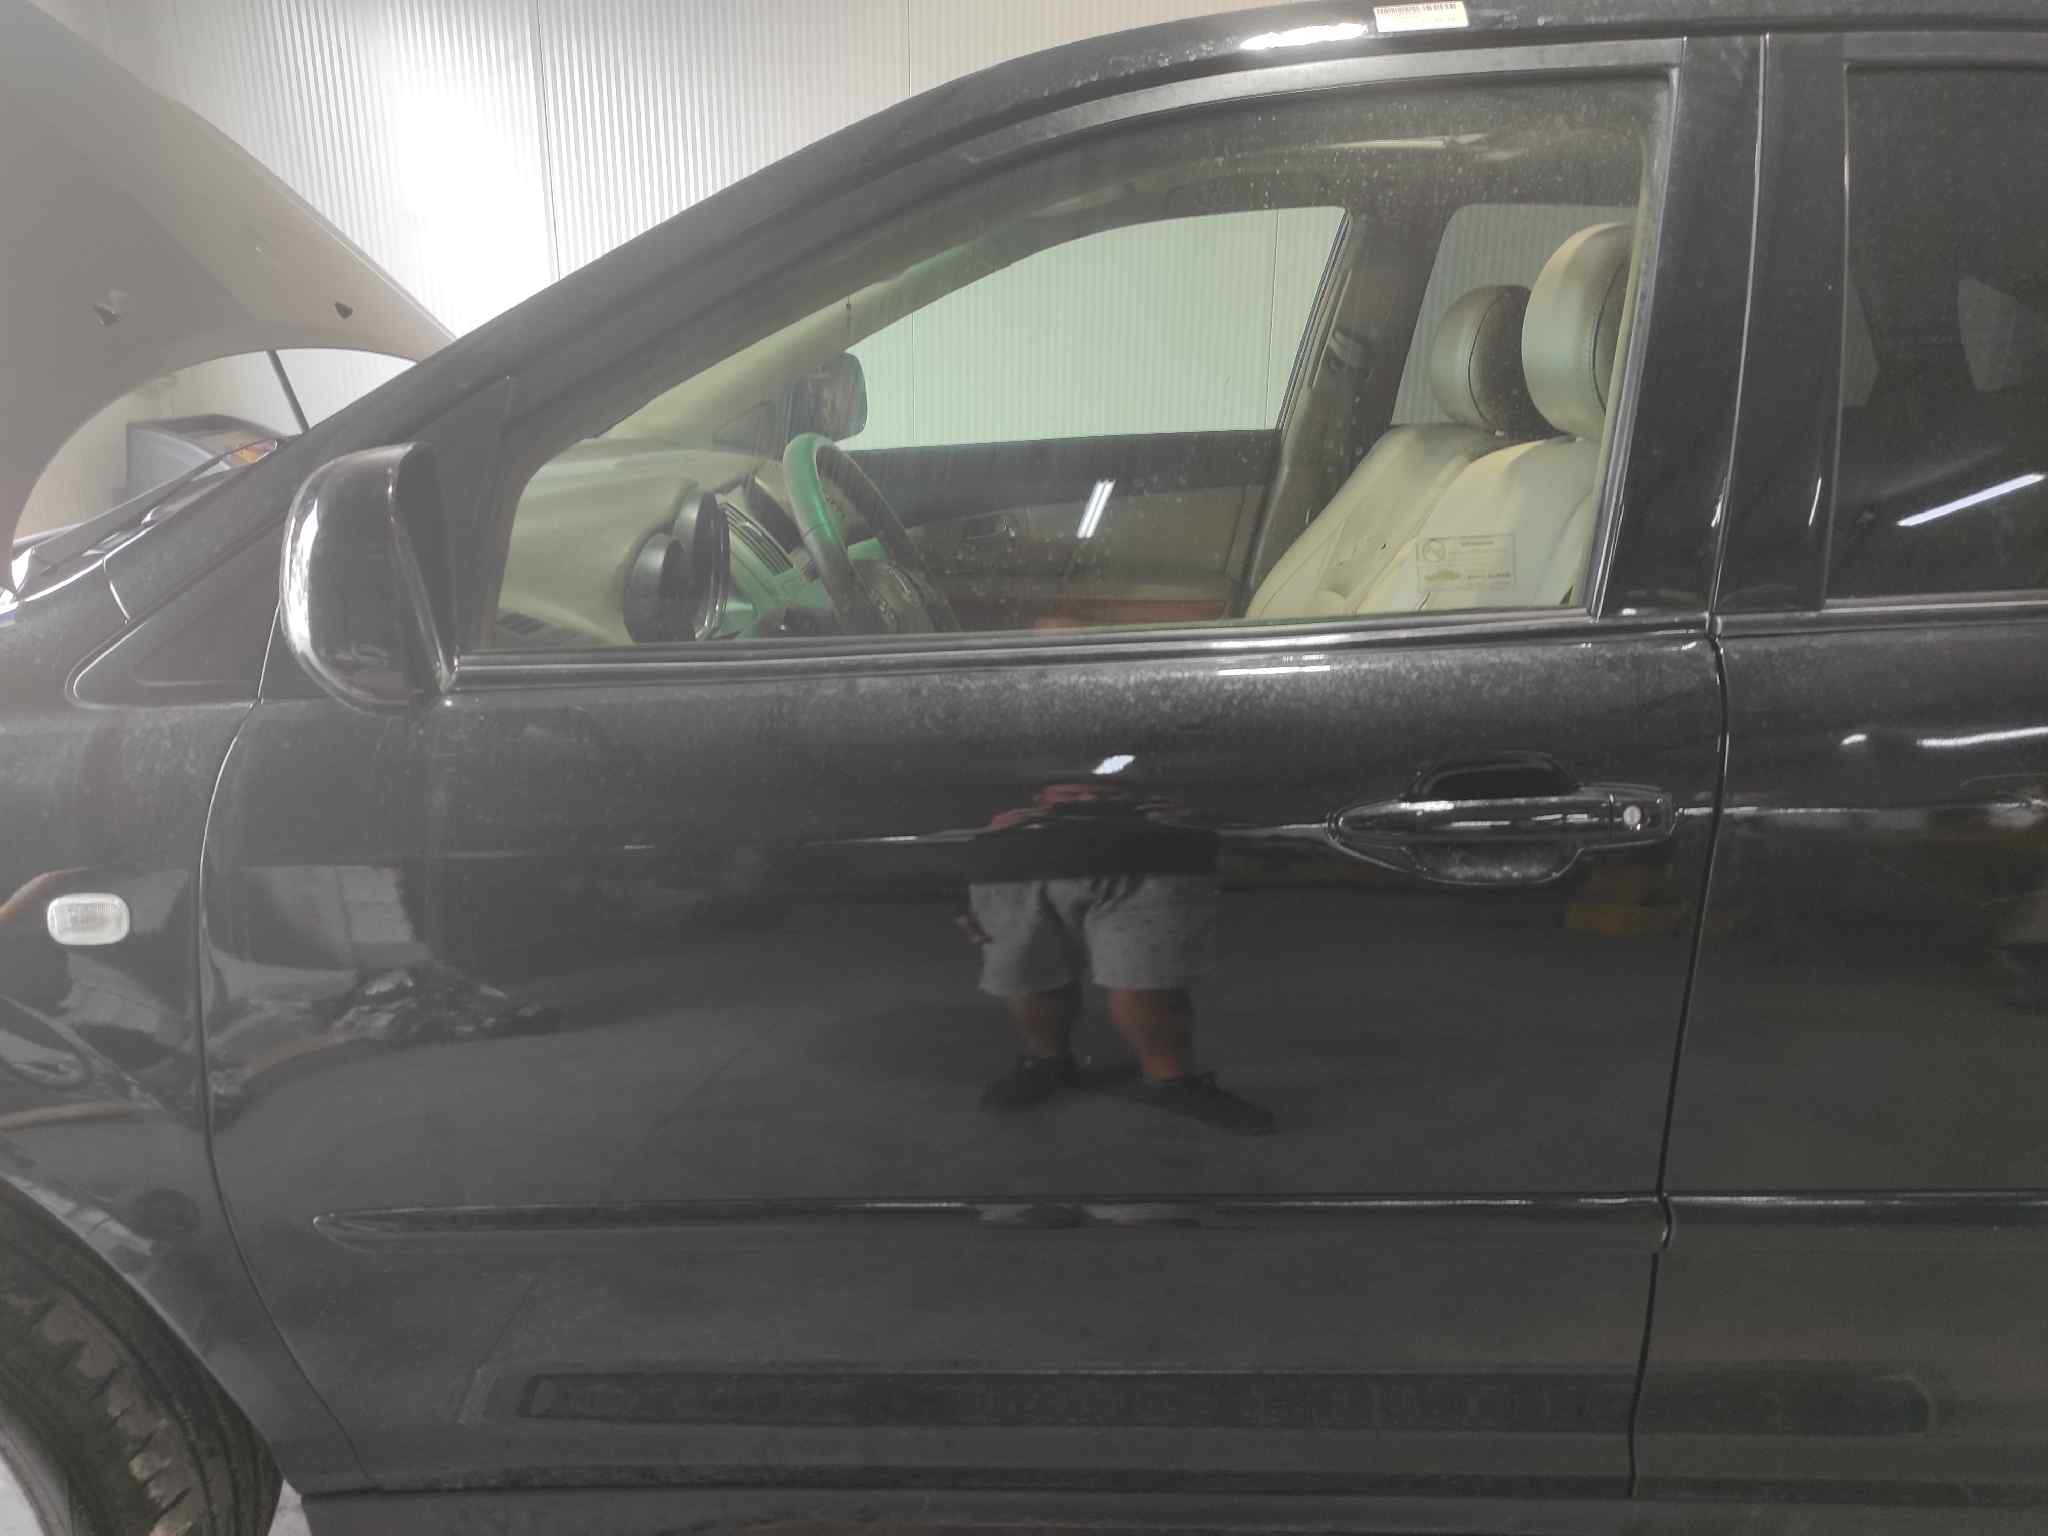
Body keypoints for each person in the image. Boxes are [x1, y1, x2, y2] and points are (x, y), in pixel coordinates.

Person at [961, 783, 1274, 1135]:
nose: (1090, 799)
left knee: (1150, 981)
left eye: (1103, 794)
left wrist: (1197, 820)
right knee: (1030, 978)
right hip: (1013, 872)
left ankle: (1172, 1081)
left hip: (1154, 865)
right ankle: (1047, 1064)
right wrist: (968, 884)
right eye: (1073, 795)